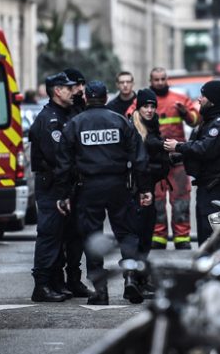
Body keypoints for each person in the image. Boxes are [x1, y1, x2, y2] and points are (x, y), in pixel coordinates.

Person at [55, 81, 147, 305]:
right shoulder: (121, 121)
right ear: (106, 97)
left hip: (89, 187)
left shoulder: (75, 124)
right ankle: (131, 278)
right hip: (118, 185)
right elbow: (139, 158)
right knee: (126, 233)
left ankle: (100, 290)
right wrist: (143, 188)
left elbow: (64, 164)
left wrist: (64, 194)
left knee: (92, 236)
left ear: (86, 98)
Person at [126, 67, 201, 250]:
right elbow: (130, 116)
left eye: (162, 79)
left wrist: (184, 113)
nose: (160, 82)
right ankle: (158, 236)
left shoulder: (179, 99)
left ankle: (182, 237)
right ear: (151, 81)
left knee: (181, 199)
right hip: (154, 161)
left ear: (167, 79)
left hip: (177, 158)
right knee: (157, 200)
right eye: (156, 79)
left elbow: (195, 119)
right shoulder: (144, 101)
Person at [29, 72, 86, 302]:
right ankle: (41, 286)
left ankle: (56, 282)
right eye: (69, 88)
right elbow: (58, 156)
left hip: (64, 185)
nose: (74, 91)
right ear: (57, 91)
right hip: (52, 185)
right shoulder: (49, 119)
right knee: (50, 235)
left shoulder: (65, 113)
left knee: (65, 236)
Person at [164, 80, 220, 245]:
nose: (199, 99)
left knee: (213, 235)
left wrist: (179, 146)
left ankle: (216, 266)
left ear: (212, 100)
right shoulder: (210, 121)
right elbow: (200, 151)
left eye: (203, 95)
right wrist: (175, 156)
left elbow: (205, 148)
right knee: (206, 232)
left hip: (216, 190)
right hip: (207, 188)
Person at [130, 88, 170, 299]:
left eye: (152, 106)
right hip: (139, 192)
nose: (149, 109)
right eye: (146, 105)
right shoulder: (135, 128)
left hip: (148, 190)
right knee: (139, 239)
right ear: (139, 106)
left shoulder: (151, 125)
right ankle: (135, 281)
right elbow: (140, 164)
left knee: (145, 238)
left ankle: (140, 279)